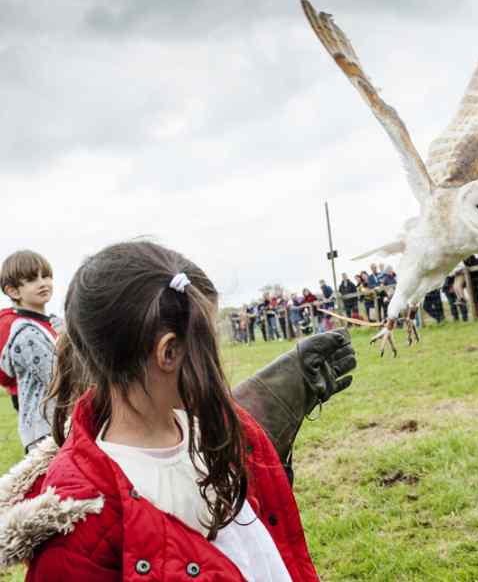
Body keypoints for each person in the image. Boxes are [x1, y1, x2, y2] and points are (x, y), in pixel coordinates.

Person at [3, 240, 356, 581]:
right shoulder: (82, 520)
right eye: (207, 344)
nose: (215, 360)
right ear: (168, 353)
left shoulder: (207, 429)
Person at [0, 250, 58, 452]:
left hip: (58, 425)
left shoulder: (53, 324)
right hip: (45, 431)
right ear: (13, 291)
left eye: (46, 275)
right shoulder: (27, 334)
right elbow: (57, 379)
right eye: (32, 279)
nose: (43, 283)